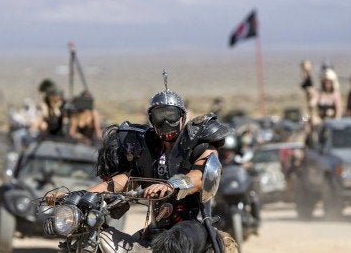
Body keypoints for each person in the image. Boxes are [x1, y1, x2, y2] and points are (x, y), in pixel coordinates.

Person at [49, 85, 233, 252]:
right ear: (151, 119)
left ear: (182, 116)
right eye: (160, 116)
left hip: (194, 225)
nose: (166, 122)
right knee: (105, 242)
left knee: (175, 242)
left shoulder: (197, 143)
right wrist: (79, 195)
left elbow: (200, 175)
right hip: (155, 228)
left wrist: (171, 185)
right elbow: (123, 181)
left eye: (171, 115)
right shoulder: (145, 149)